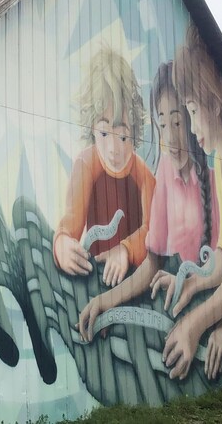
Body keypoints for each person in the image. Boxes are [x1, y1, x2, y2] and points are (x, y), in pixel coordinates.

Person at [77, 61, 218, 349]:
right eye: (163, 124)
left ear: (196, 116)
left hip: (208, 307)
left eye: (178, 122)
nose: (170, 135)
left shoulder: (216, 177)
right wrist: (105, 301)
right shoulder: (165, 169)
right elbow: (153, 261)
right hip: (179, 303)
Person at [155, 27, 222, 381]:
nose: (189, 126)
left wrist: (196, 324)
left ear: (215, 106)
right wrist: (193, 280)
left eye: (191, 111)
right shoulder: (220, 159)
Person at [53, 47, 154, 287]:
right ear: (92, 128)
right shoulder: (86, 164)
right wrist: (62, 244)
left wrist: (126, 251)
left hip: (137, 283)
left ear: (135, 131)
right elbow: (71, 221)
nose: (113, 149)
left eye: (122, 136)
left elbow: (154, 230)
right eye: (104, 133)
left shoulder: (145, 177)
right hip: (97, 278)